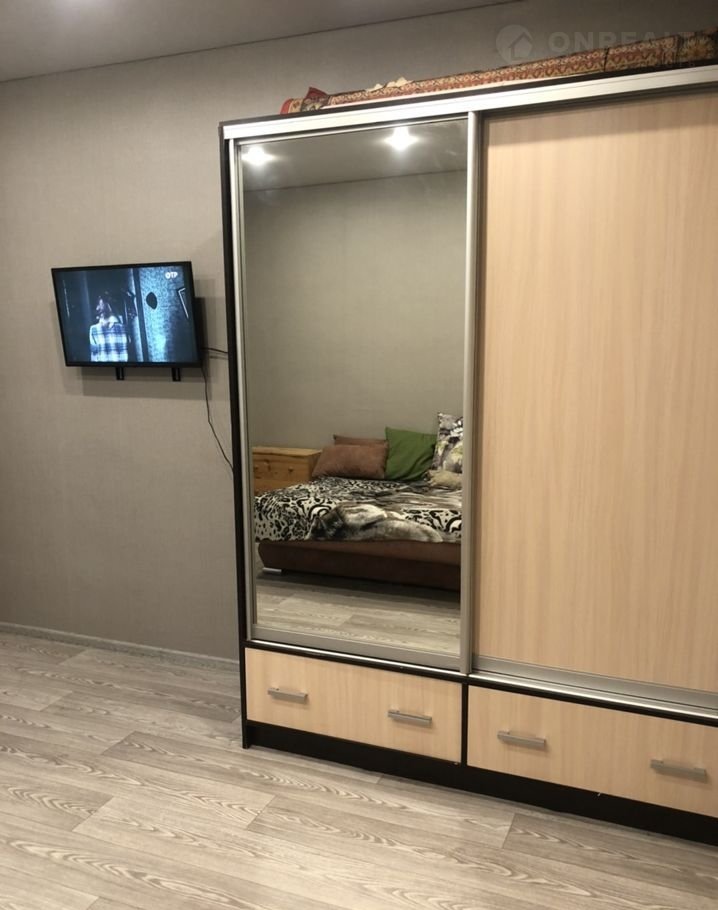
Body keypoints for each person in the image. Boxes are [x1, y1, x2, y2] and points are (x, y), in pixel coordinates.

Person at [89, 294, 128, 362]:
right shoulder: (93, 330)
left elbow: (94, 357)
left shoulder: (122, 328)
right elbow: (94, 356)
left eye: (100, 305)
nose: (98, 308)